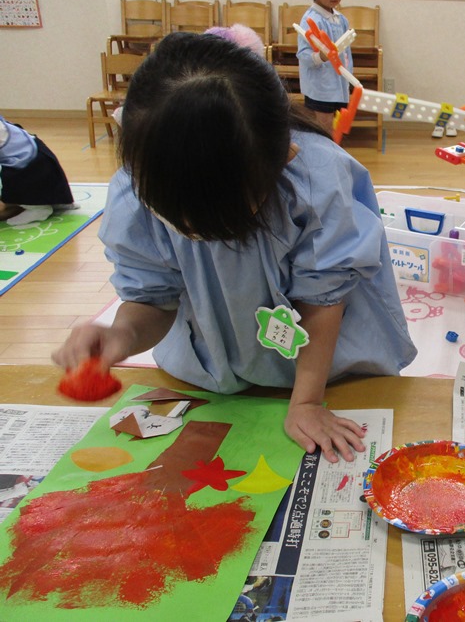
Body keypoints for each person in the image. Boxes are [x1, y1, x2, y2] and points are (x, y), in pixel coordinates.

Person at [51, 32, 417, 463]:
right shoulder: (137, 188)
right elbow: (154, 298)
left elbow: (323, 302)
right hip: (213, 363)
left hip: (325, 365)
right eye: (173, 216)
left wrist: (305, 402)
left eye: (219, 218)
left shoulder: (315, 181)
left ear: (282, 157)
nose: (191, 229)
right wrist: (122, 334)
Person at [297, 0, 353, 135]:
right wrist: (320, 56)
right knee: (324, 127)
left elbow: (346, 53)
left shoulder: (341, 19)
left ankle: (333, 150)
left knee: (337, 127)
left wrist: (350, 77)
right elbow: (303, 55)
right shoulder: (311, 20)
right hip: (320, 88)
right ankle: (324, 151)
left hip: (339, 86)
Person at [0, 116, 75, 226]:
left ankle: (38, 209)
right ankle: (58, 201)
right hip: (40, 151)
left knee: (11, 177)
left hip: (29, 162)